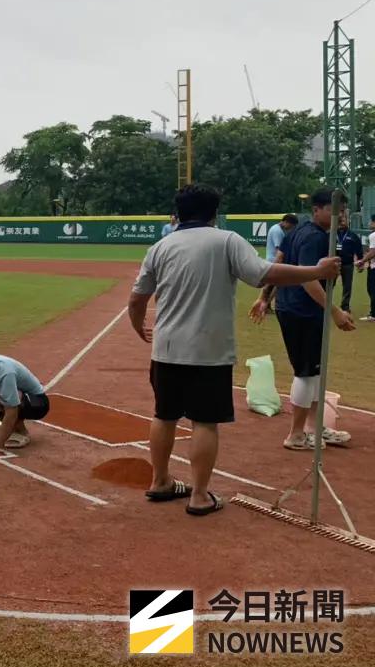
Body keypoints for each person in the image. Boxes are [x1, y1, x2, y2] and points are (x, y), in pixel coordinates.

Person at [131, 184, 340, 517]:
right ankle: (199, 496)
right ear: (214, 212)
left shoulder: (160, 246)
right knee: (205, 421)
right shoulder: (226, 240)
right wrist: (316, 271)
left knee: (164, 414)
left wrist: (137, 323)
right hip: (208, 350)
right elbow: (264, 274)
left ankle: (160, 482)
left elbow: (137, 298)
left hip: (166, 347)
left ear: (180, 212)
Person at [251, 187, 355, 451]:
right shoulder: (314, 238)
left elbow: (280, 262)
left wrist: (265, 297)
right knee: (307, 373)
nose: (339, 215)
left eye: (341, 210)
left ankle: (314, 427)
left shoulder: (298, 232)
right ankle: (296, 434)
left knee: (316, 372)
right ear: (317, 210)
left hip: (296, 308)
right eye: (333, 210)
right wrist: (336, 312)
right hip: (302, 310)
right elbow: (309, 280)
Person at [336, 211, 364, 313]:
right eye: (341, 220)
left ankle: (345, 306)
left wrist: (360, 263)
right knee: (330, 285)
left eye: (345, 220)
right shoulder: (332, 234)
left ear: (348, 221)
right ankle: (326, 305)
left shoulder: (352, 236)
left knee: (347, 286)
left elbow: (359, 250)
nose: (342, 222)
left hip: (347, 264)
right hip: (333, 264)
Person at [358, 215, 375, 323]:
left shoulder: (373, 235)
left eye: (371, 221)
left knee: (372, 290)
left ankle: (373, 314)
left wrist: (362, 261)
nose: (370, 223)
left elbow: (373, 252)